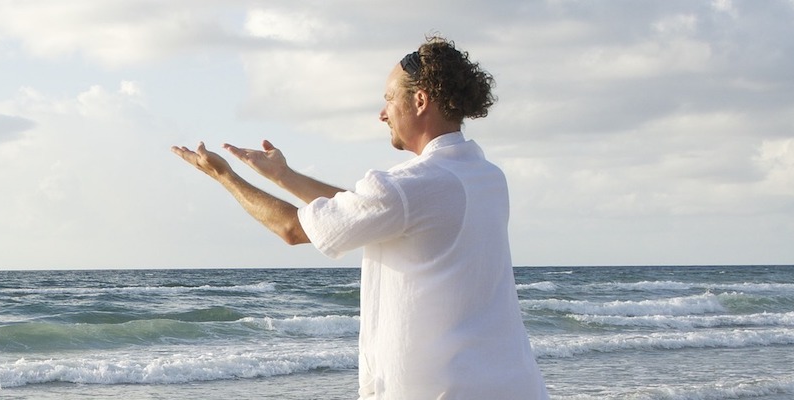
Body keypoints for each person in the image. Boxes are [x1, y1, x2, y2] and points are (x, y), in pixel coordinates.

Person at [171, 35, 549, 399]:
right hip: (514, 385)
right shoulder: (485, 176)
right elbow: (370, 211)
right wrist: (284, 176)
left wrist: (224, 176)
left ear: (419, 100)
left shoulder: (411, 186)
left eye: (389, 99)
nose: (382, 112)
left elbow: (293, 229)